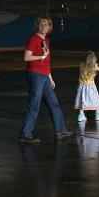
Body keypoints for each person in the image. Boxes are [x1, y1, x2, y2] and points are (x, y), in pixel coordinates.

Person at [19, 16, 72, 144]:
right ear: (38, 26)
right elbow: (26, 57)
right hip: (36, 74)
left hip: (44, 76)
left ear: (50, 27)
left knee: (54, 103)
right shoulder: (34, 39)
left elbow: (47, 62)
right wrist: (40, 56)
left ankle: (60, 130)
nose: (44, 27)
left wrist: (50, 78)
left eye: (46, 25)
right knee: (34, 104)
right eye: (41, 25)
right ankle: (25, 134)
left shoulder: (46, 40)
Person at [74, 51, 99, 122]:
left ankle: (81, 115)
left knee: (82, 99)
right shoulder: (94, 66)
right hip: (90, 86)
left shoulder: (81, 64)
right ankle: (98, 113)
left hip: (82, 85)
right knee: (95, 98)